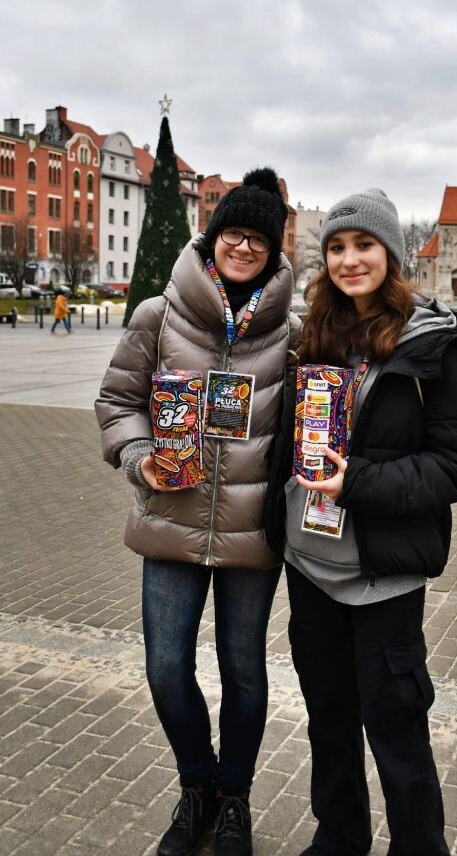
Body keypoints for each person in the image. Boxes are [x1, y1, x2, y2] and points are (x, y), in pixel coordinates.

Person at [264, 188, 457, 856]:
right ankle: (339, 838)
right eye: (336, 247)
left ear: (391, 253)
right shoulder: (314, 335)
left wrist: (356, 482)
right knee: (329, 720)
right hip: (310, 566)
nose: (349, 259)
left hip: (381, 575)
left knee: (395, 726)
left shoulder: (431, 345)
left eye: (364, 245)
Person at [95, 168, 298, 856]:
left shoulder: (292, 333)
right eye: (233, 234)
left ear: (273, 250)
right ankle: (198, 783)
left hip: (251, 534)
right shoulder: (158, 316)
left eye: (259, 239)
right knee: (164, 668)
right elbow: (117, 402)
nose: (244, 247)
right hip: (170, 519)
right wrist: (138, 455)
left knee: (244, 670)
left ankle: (233, 797)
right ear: (212, 238)